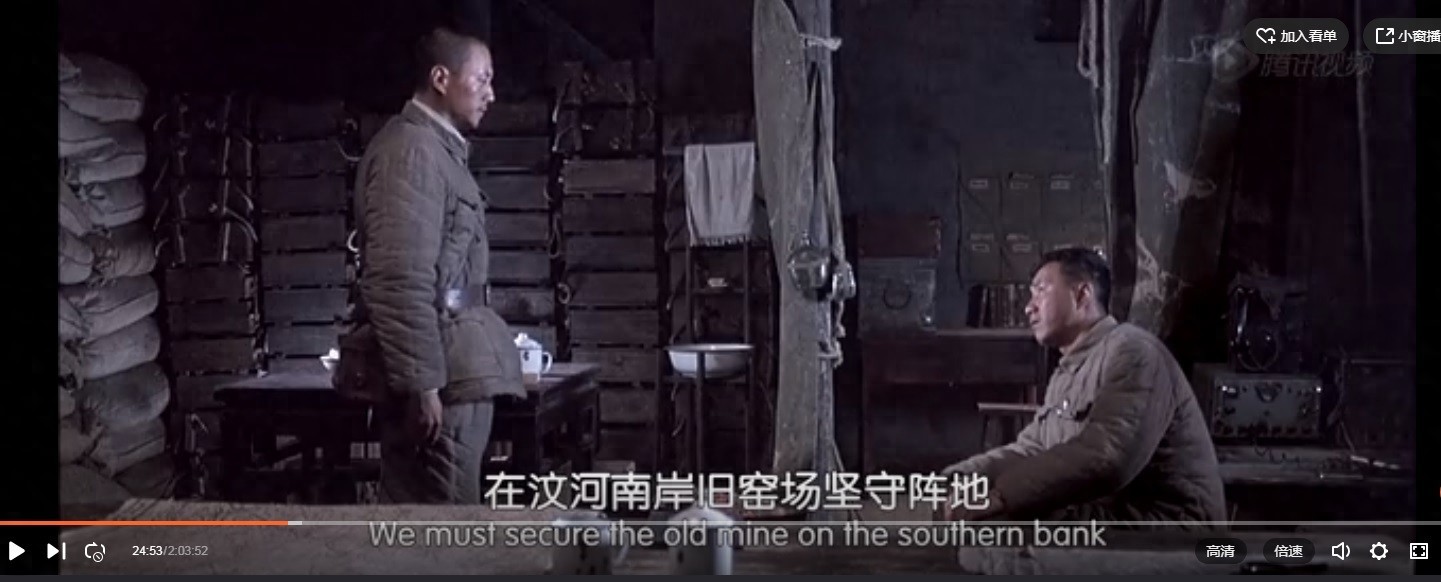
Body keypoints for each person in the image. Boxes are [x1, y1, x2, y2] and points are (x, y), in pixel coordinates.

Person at [348, 26, 526, 504]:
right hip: (439, 378)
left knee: (445, 519)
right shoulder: (412, 153)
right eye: (482, 79)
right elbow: (399, 279)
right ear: (441, 78)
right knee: (434, 523)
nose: (491, 93)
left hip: (453, 368)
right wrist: (421, 384)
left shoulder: (436, 150)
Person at [940, 247, 1226, 526]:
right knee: (986, 517)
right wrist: (962, 477)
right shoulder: (1070, 368)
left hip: (1167, 524)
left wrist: (1002, 496)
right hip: (1113, 511)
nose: (1029, 307)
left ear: (1081, 295)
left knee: (998, 526)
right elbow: (1033, 448)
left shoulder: (1133, 351)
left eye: (1041, 290)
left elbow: (1107, 456)